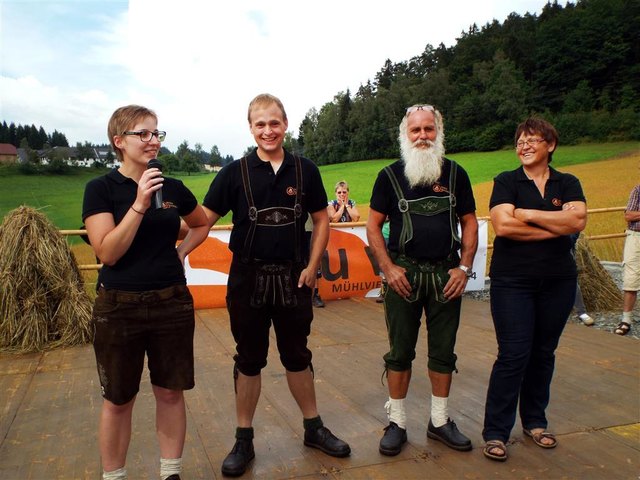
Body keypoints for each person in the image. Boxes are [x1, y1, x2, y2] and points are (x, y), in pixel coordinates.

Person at [202, 93, 350, 477]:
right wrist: (163, 220)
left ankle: (313, 428)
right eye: (260, 124)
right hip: (247, 278)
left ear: (285, 125)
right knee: (248, 359)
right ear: (251, 129)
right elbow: (201, 217)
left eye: (274, 123)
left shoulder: (306, 170)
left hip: (293, 277)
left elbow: (321, 220)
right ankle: (243, 439)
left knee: (297, 354)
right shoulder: (234, 173)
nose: (268, 130)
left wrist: (312, 266)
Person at [82, 105, 209, 480]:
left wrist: (182, 251)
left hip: (171, 303)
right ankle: (115, 476)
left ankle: (170, 472)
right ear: (119, 142)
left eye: (157, 133)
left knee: (170, 393)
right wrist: (139, 204)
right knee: (119, 399)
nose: (154, 141)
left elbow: (200, 224)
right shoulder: (101, 189)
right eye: (144, 134)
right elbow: (107, 252)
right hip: (118, 307)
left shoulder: (172, 188)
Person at [367, 104, 478, 456]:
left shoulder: (457, 174)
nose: (422, 137)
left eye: (428, 129)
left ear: (439, 131)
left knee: (444, 352)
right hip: (404, 274)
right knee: (399, 352)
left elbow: (470, 222)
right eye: (415, 131)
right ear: (405, 134)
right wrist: (388, 268)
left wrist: (463, 267)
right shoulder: (388, 176)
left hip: (447, 274)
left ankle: (440, 421)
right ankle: (397, 422)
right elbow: (372, 226)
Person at [482, 118, 586, 462]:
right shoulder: (506, 181)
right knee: (514, 354)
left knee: (543, 352)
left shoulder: (567, 182)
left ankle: (535, 421)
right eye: (520, 142)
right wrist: (556, 227)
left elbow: (578, 221)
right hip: (513, 281)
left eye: (532, 140)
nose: (524, 146)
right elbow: (504, 226)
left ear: (550, 145)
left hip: (558, 280)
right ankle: (496, 431)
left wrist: (527, 213)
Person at [616, 184, 640, 335]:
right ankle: (626, 320)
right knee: (631, 278)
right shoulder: (638, 190)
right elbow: (629, 215)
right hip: (636, 236)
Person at [570, 233, 594, 326]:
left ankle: (581, 312)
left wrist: (570, 239)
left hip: (563, 244)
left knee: (570, 280)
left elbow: (576, 224)